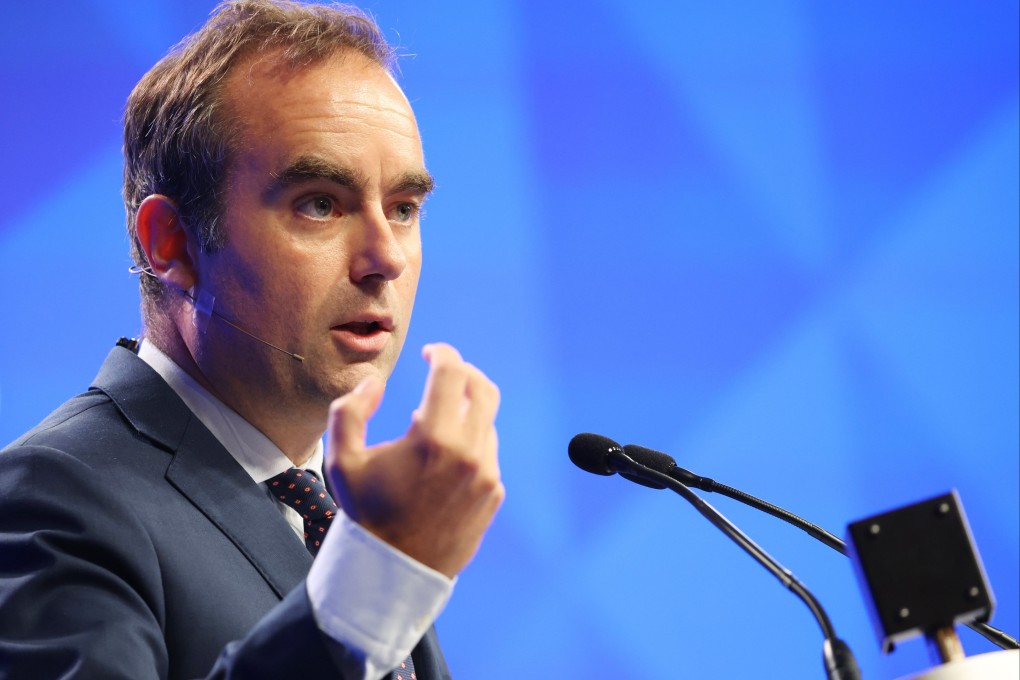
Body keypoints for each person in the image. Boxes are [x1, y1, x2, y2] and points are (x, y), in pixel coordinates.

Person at [0, 1, 504, 679]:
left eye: (404, 208)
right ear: (171, 243)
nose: (385, 256)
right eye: (320, 203)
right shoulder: (53, 499)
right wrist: (374, 586)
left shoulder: (336, 513)